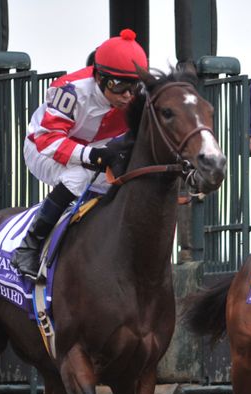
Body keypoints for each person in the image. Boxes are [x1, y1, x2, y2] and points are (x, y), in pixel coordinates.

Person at [10, 29, 148, 281]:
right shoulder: (70, 91)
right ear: (99, 77)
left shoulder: (136, 96)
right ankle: (30, 245)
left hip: (91, 146)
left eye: (133, 86)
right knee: (80, 174)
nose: (127, 96)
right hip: (42, 148)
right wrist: (92, 156)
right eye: (119, 86)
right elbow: (48, 140)